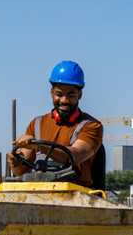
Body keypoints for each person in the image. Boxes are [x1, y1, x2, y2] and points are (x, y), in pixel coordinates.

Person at [8, 60, 105, 188]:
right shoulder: (36, 124)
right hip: (40, 191)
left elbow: (73, 156)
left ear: (80, 94)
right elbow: (20, 171)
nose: (64, 100)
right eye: (59, 94)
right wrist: (16, 163)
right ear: (51, 93)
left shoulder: (92, 126)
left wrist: (39, 145)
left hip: (77, 195)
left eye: (71, 95)